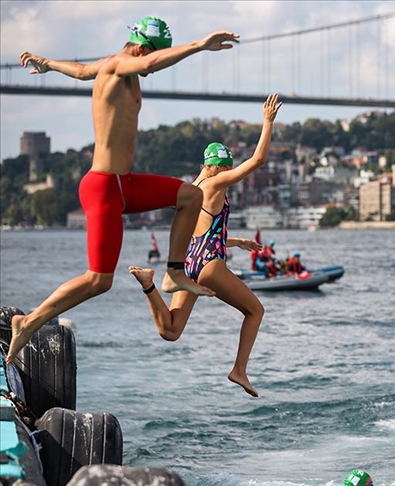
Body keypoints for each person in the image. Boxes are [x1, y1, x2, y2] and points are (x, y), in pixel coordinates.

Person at [5, 17, 241, 364]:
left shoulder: (111, 67)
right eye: (154, 56)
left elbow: (82, 71)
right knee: (99, 281)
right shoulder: (123, 63)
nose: (152, 69)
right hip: (104, 186)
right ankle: (27, 322)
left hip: (125, 184)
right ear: (143, 47)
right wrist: (199, 46)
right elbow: (146, 63)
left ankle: (175, 272)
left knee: (191, 195)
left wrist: (48, 64)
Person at [128, 94, 283, 397]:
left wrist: (235, 242)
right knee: (255, 311)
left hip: (188, 264)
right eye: (225, 169)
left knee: (171, 330)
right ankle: (239, 369)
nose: (227, 175)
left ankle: (148, 285)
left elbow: (200, 232)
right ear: (213, 168)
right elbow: (258, 160)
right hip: (210, 265)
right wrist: (267, 121)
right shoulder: (215, 184)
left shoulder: (189, 190)